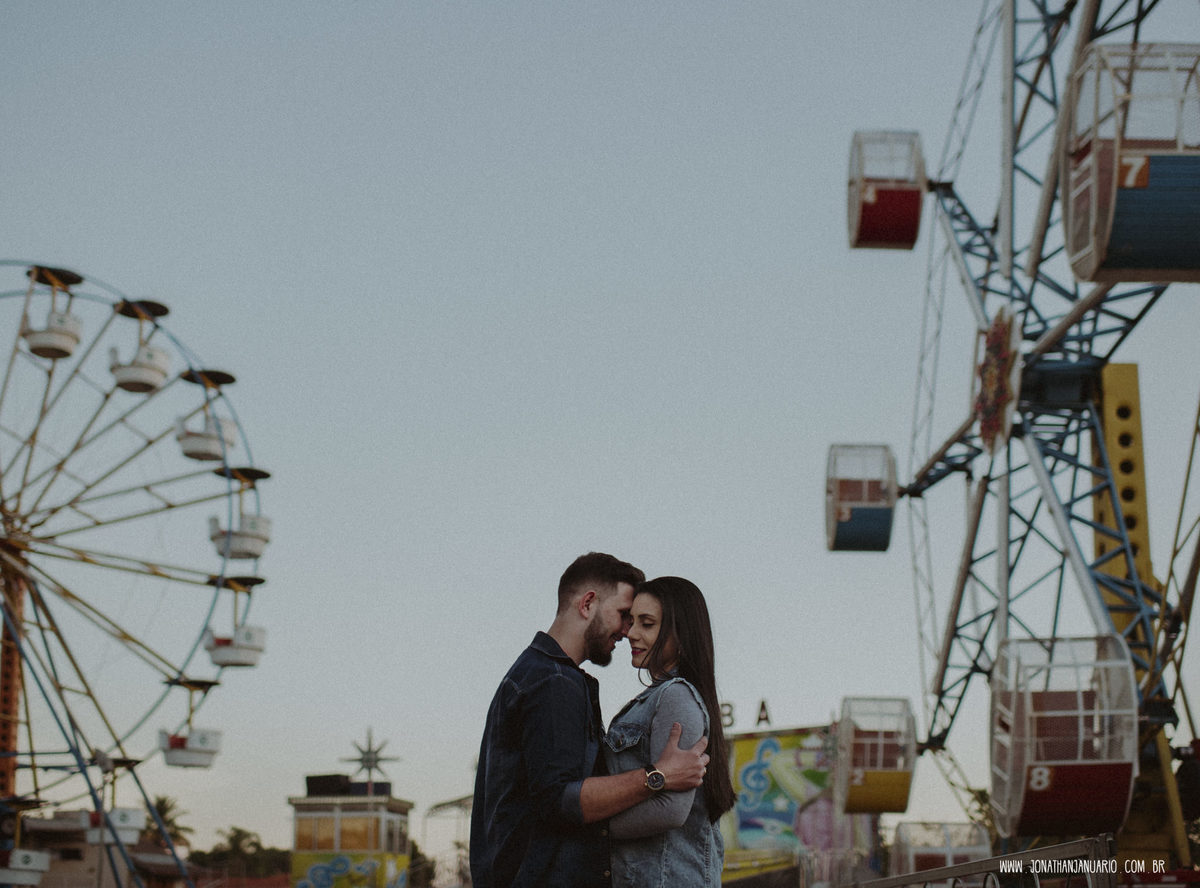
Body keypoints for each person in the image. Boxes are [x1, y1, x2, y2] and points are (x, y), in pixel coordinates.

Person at [471, 553, 711, 888]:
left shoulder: (534, 674)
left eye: (642, 622)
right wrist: (658, 776)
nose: (627, 631)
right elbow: (557, 801)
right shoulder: (553, 681)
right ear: (587, 604)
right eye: (624, 615)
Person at [603, 576, 735, 887]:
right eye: (632, 621)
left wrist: (587, 823)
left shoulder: (675, 696)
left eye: (646, 624)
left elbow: (670, 811)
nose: (631, 633)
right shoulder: (655, 698)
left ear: (681, 633)